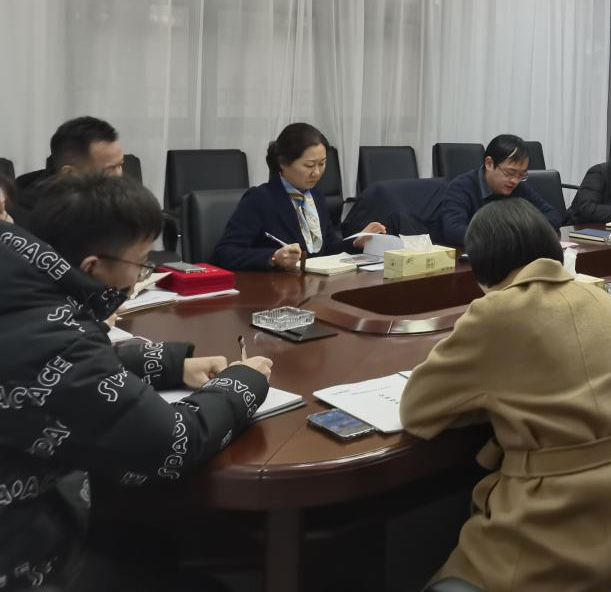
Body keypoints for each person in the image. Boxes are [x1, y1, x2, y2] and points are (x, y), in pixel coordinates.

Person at [0, 174, 271, 591]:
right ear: (93, 267)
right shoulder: (54, 334)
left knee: (149, 547)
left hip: (38, 515)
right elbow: (172, 442)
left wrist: (170, 364)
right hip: (27, 559)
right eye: (142, 262)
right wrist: (243, 383)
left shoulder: (22, 294)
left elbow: (43, 362)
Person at [400, 200, 611, 592]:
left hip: (544, 526)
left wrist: (490, 402)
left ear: (483, 264)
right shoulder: (604, 299)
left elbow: (417, 410)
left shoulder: (496, 312)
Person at [213, 123, 385, 270]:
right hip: (277, 289)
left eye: (322, 163)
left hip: (315, 286)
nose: (317, 172)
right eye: (309, 165)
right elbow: (224, 253)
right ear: (283, 162)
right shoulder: (260, 198)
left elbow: (327, 247)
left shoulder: (315, 196)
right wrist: (273, 257)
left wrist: (356, 241)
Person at [437, 134, 564, 246]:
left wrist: (524, 231)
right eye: (510, 173)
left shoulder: (518, 187)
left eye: (521, 175)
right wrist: (503, 236)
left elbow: (553, 215)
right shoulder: (461, 187)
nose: (515, 180)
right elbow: (454, 231)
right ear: (489, 163)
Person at [15, 116, 126, 213]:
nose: (119, 175)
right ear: (70, 173)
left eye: (120, 164)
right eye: (109, 169)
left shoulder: (117, 193)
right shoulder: (33, 214)